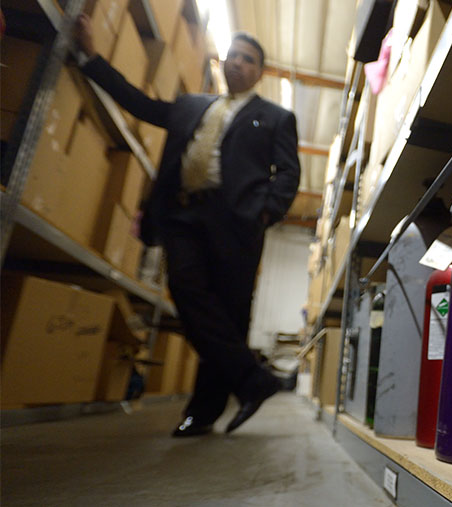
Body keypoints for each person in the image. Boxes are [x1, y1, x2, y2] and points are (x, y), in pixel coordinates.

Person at [74, 16, 301, 436]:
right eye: (233, 55)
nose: (238, 63)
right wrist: (90, 57)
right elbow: (139, 104)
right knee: (186, 289)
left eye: (248, 59)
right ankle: (252, 379)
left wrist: (266, 211)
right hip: (183, 215)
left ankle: (203, 413)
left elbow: (288, 173)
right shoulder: (190, 106)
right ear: (223, 61)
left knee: (227, 316)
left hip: (235, 222)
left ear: (259, 72)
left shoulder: (274, 117)